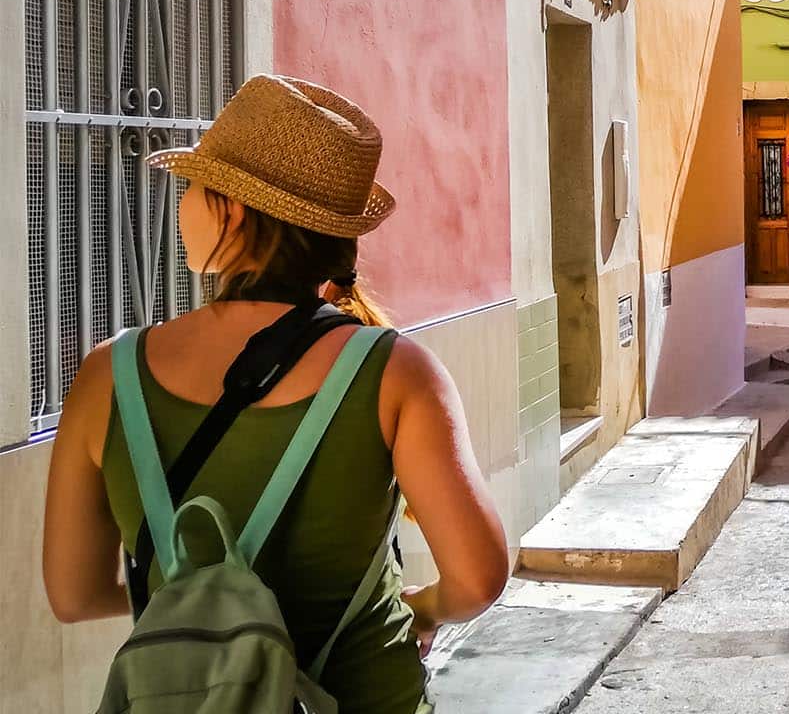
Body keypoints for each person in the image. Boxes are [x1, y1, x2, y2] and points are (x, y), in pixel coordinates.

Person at [42, 74, 509, 713]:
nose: (183, 205)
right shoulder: (397, 371)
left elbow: (72, 594)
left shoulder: (107, 376)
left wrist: (203, 598)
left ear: (231, 210)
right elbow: (478, 577)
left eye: (193, 188)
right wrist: (421, 607)